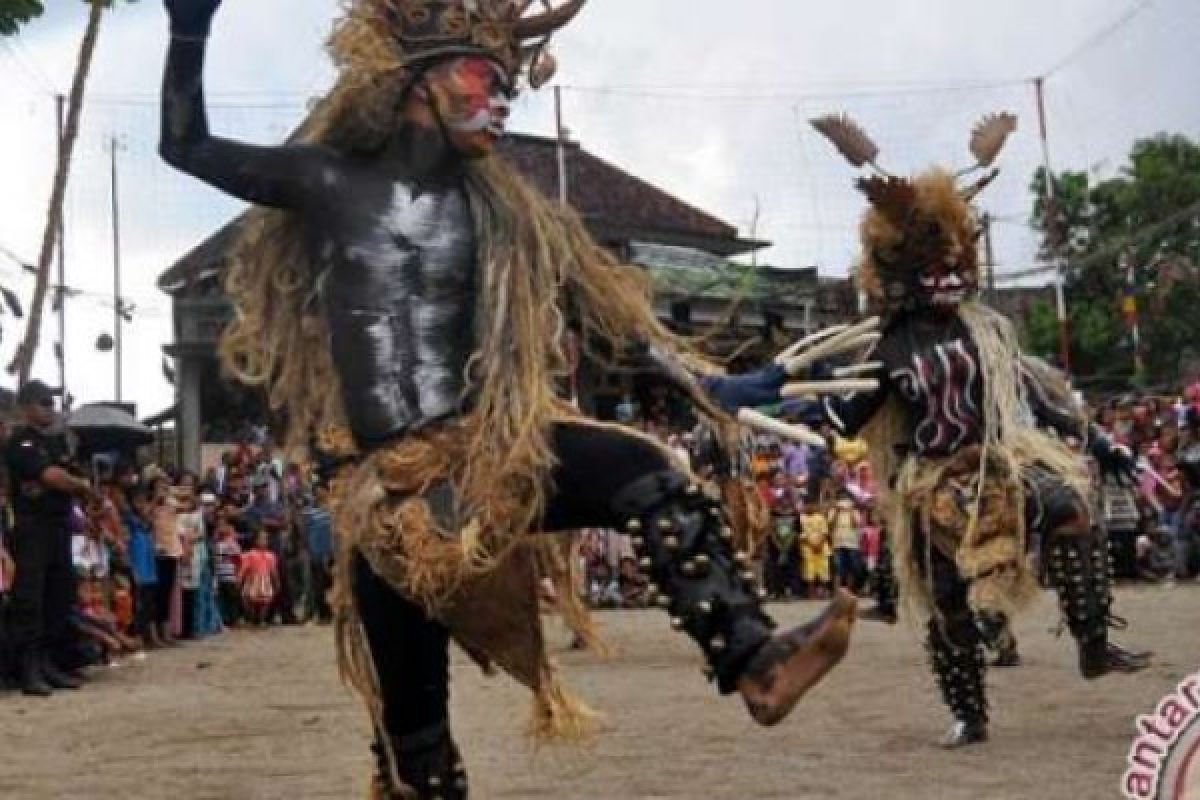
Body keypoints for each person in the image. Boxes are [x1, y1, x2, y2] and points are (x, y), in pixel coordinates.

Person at [160, 1, 858, 796]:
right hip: (389, 500)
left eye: (507, 86)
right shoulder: (328, 181)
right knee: (414, 743)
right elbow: (184, 145)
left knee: (642, 464)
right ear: (420, 82)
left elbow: (609, 318)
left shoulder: (500, 210)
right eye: (485, 78)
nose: (501, 99)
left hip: (489, 458)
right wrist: (190, 28)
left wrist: (705, 385)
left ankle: (754, 661)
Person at [805, 112, 1150, 746]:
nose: (952, 268)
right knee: (946, 603)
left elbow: (1036, 400)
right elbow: (845, 416)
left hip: (1001, 463)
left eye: (958, 253)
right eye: (935, 256)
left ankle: (1093, 644)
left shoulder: (985, 331)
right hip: (933, 483)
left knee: (1072, 508)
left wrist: (1099, 442)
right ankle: (969, 712)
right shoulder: (888, 349)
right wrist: (806, 404)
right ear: (899, 264)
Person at [4, 380, 92, 696]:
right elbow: (51, 476)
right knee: (30, 600)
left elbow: (67, 476)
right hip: (31, 528)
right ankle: (27, 670)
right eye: (44, 402)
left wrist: (71, 482)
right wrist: (76, 484)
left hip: (57, 526)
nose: (50, 408)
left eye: (52, 402)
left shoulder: (54, 443)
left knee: (59, 596)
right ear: (27, 406)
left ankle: (49, 665)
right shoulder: (21, 442)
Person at [125, 488, 162, 648]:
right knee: (138, 603)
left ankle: (151, 637)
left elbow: (149, 526)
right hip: (138, 563)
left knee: (150, 602)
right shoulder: (131, 519)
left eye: (144, 501)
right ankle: (139, 636)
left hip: (149, 563)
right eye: (139, 502)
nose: (143, 505)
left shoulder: (146, 521)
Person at [301, 488, 335, 624]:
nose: (321, 494)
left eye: (323, 491)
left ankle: (331, 613)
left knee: (330, 584)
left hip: (331, 553)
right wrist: (307, 550)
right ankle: (322, 614)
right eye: (319, 491)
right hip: (316, 553)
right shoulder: (309, 512)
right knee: (318, 586)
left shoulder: (333, 510)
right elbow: (304, 532)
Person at [238, 530, 278, 627]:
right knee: (249, 600)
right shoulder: (250, 555)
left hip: (265, 580)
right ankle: (251, 619)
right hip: (252, 579)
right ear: (255, 540)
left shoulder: (270, 556)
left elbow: (273, 570)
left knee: (265, 601)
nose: (264, 541)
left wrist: (276, 581)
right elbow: (244, 568)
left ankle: (262, 619)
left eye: (266, 539)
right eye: (261, 539)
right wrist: (239, 579)